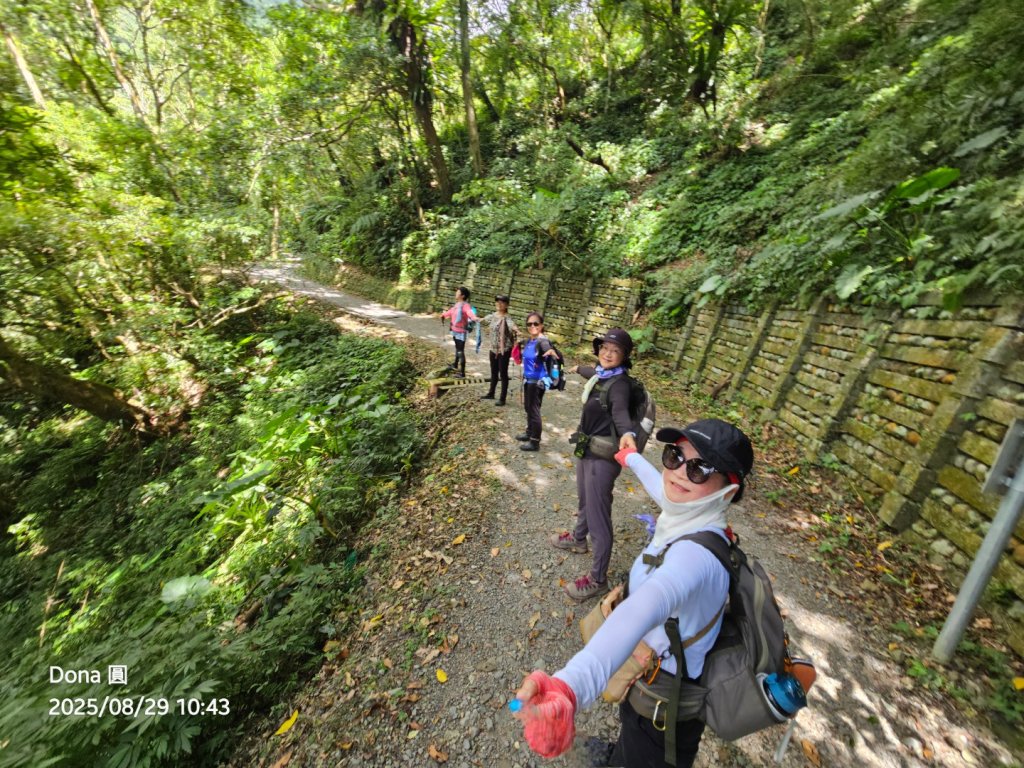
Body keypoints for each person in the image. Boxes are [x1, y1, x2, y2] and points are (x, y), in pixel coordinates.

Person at [515, 418, 755, 768]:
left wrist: (568, 687)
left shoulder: (696, 557)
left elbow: (641, 610)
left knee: (643, 750)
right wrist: (629, 456)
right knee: (629, 728)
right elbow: (662, 485)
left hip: (666, 709)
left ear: (728, 491)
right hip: (647, 674)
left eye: (700, 468)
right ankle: (617, 755)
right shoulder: (690, 510)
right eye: (674, 455)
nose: (678, 473)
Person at [549, 328, 637, 602]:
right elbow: (593, 373)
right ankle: (578, 540)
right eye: (604, 348)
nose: (608, 354)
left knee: (599, 519)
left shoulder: (620, 385)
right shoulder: (602, 375)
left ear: (624, 357)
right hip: (588, 449)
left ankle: (598, 579)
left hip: (603, 458)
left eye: (615, 351)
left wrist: (628, 434)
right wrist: (576, 368)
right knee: (584, 500)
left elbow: (621, 413)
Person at [516, 312, 556, 452]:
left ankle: (535, 441)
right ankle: (529, 433)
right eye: (529, 324)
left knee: (534, 410)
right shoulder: (530, 341)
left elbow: (548, 349)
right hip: (528, 380)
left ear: (541, 326)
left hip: (537, 382)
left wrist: (551, 351)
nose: (532, 326)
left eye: (536, 323)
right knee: (528, 407)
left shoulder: (542, 341)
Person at [479, 295, 519, 407]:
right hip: (493, 348)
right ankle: (491, 393)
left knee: (503, 374)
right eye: (497, 302)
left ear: (506, 305)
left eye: (502, 302)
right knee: (493, 372)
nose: (499, 304)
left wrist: (517, 330)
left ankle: (502, 398)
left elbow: (512, 326)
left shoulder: (507, 317)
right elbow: (482, 320)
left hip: (504, 350)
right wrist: (472, 317)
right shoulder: (493, 316)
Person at [440, 286, 478, 378]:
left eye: (458, 292)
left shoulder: (465, 306)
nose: (456, 293)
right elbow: (450, 312)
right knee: (457, 349)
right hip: (454, 330)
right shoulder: (457, 305)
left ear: (462, 295)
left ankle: (462, 373)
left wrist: (474, 318)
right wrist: (443, 315)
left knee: (460, 351)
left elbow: (470, 313)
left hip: (461, 332)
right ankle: (455, 364)